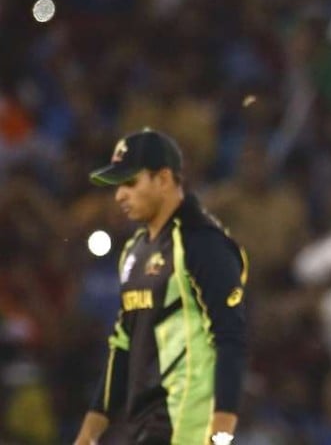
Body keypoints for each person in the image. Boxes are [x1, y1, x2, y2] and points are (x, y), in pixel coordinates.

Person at [73, 128, 248, 445]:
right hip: (142, 424)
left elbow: (229, 338)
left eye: (130, 183)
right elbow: (123, 345)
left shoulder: (203, 244)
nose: (119, 196)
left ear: (164, 179)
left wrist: (221, 433)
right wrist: (89, 433)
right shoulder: (134, 252)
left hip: (189, 424)